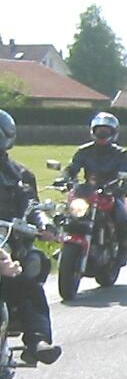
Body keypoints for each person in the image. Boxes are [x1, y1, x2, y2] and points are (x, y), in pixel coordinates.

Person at [0, 110, 61, 365]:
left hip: (10, 242)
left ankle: (37, 340)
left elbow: (32, 205)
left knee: (28, 277)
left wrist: (44, 224)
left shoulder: (20, 175)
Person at [60, 112, 127, 266]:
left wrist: (122, 187)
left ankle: (122, 250)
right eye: (99, 131)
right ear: (93, 131)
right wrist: (65, 178)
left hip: (111, 192)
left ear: (113, 133)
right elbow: (72, 168)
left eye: (106, 131)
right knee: (67, 216)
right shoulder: (84, 151)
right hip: (88, 191)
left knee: (123, 220)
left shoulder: (120, 153)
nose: (102, 134)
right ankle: (65, 244)